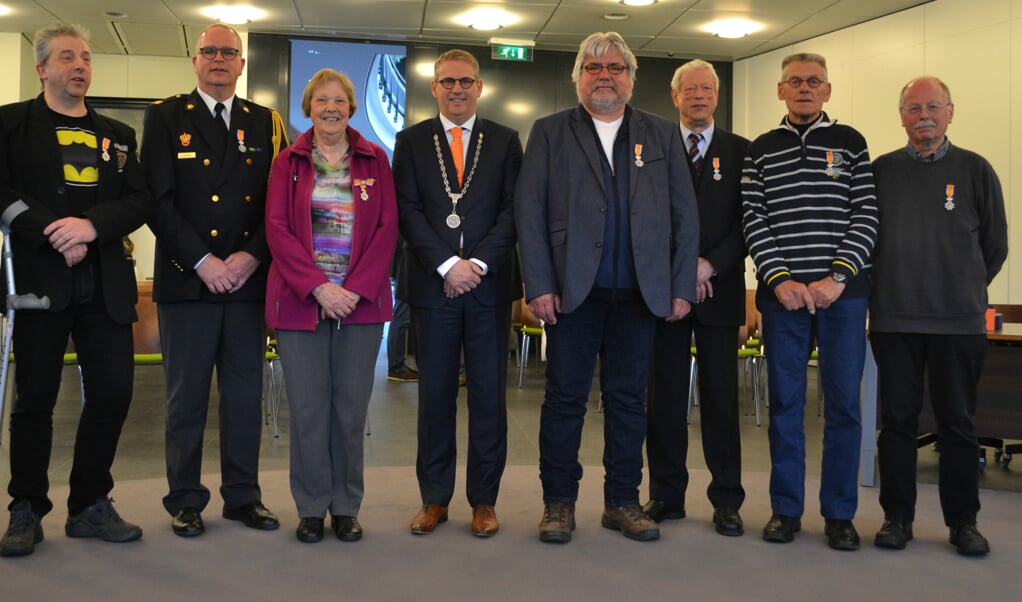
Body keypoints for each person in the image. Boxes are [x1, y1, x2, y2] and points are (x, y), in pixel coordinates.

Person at [515, 32, 699, 544]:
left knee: (627, 402)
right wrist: (539, 285)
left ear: (630, 79)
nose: (604, 76)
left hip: (639, 296)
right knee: (564, 400)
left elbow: (685, 214)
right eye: (593, 67)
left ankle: (622, 500)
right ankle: (558, 503)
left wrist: (679, 283)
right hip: (572, 294)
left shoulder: (661, 134)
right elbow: (529, 214)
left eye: (615, 68)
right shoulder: (549, 132)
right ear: (578, 77)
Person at [0, 23, 148, 557]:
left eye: (85, 57)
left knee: (112, 394)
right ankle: (26, 508)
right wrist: (53, 228)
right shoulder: (10, 124)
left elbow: (139, 200)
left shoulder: (118, 134)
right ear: (42, 69)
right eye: (67, 57)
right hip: (40, 282)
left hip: (105, 284)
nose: (80, 65)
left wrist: (91, 227)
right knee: (35, 399)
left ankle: (89, 504)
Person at [141, 23, 287, 537]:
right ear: (195, 60)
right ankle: (185, 499)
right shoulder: (164, 116)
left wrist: (249, 258)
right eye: (210, 51)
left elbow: (280, 204)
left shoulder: (264, 122)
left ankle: (243, 497)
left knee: (244, 397)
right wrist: (204, 261)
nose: (220, 59)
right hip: (187, 283)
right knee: (186, 399)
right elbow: (156, 201)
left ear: (242, 65)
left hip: (246, 285)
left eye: (229, 52)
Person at [741, 53, 878, 550]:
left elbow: (867, 215)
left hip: (843, 298)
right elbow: (754, 220)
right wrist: (778, 281)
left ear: (827, 90)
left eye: (813, 81)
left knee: (844, 406)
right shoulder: (759, 151)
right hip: (785, 301)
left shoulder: (852, 144)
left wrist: (837, 278)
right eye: (795, 81)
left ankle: (840, 514)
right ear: (780, 91)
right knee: (786, 406)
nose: (804, 88)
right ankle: (786, 509)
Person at [869, 77, 1008, 556]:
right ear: (901, 115)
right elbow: (867, 240)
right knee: (898, 424)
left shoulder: (975, 170)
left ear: (950, 112)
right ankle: (897, 518)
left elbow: (995, 246)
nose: (923, 115)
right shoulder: (880, 171)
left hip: (957, 323)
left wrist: (960, 287)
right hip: (894, 320)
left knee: (958, 426)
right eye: (913, 108)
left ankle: (963, 523)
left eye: (932, 107)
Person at [392, 49, 522, 538]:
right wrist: (448, 264)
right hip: (433, 287)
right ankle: (434, 499)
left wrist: (478, 264)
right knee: (435, 399)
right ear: (434, 87)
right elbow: (407, 210)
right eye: (447, 81)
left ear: (480, 87)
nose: (457, 89)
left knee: (489, 400)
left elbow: (514, 210)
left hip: (488, 290)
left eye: (466, 81)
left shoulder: (506, 141)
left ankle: (484, 502)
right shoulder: (411, 142)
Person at [265, 68, 398, 543]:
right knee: (307, 409)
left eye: (338, 100)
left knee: (349, 409)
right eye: (321, 100)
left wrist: (354, 289)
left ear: (350, 107)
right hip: (302, 302)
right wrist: (320, 287)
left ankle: (345, 506)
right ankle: (310, 507)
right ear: (309, 107)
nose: (330, 108)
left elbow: (387, 229)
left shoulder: (373, 159)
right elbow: (277, 229)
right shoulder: (288, 162)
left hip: (360, 304)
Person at [644, 59, 748, 536]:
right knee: (664, 397)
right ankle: (666, 495)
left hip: (720, 295)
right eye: (691, 89)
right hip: (665, 294)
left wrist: (709, 266)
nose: (699, 96)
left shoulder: (742, 152)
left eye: (707, 88)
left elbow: (748, 224)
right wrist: (680, 270)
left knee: (722, 399)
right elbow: (643, 217)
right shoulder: (652, 148)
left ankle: (727, 499)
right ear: (674, 95)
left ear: (717, 95)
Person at [387, 234, 417, 382]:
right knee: (401, 317)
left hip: (400, 266)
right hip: (403, 268)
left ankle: (397, 366)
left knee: (401, 315)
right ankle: (396, 367)